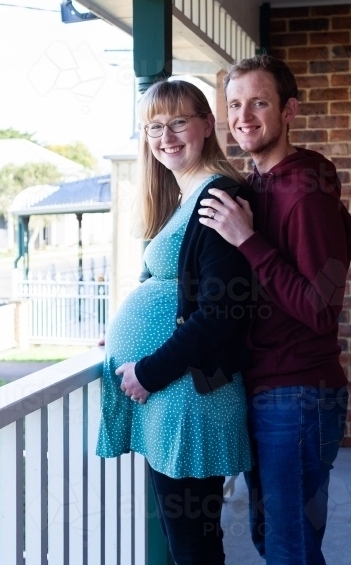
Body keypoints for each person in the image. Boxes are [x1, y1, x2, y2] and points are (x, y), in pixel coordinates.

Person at [198, 54, 351, 565]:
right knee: (275, 541)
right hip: (267, 387)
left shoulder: (304, 189)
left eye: (259, 102)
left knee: (290, 548)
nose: (244, 116)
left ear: (289, 110)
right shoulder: (259, 184)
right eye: (235, 104)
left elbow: (318, 307)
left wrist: (247, 239)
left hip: (299, 394)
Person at [97, 79, 255, 565]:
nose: (166, 136)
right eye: (153, 127)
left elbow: (222, 311)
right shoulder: (186, 196)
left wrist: (148, 371)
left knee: (193, 546)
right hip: (174, 397)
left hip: (189, 395)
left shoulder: (216, 198)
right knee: (184, 537)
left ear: (208, 125)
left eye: (178, 122)